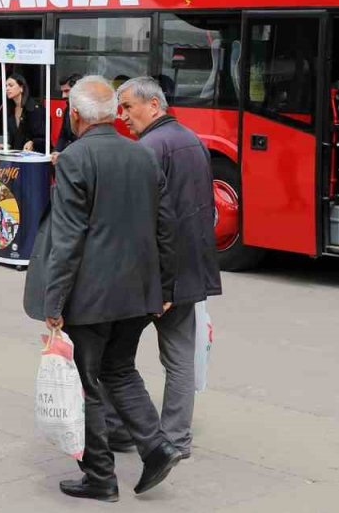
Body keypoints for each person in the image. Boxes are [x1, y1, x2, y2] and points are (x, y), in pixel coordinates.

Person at [26, 76, 180, 501]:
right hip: (138, 290)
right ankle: (157, 445)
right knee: (120, 370)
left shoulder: (75, 158)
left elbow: (68, 237)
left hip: (91, 296)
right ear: (113, 112)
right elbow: (165, 226)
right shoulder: (143, 155)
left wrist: (53, 301)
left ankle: (99, 477)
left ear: (74, 115)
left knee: (88, 381)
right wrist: (164, 285)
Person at [107, 76, 221, 461]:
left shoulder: (150, 147)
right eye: (120, 108)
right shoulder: (193, 140)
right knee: (179, 359)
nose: (123, 116)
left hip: (155, 277)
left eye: (128, 107)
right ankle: (176, 439)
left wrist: (161, 284)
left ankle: (121, 428)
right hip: (190, 270)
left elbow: (145, 219)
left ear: (153, 106)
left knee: (113, 355)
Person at [3, 72, 45, 152]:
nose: (7, 89)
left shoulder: (34, 108)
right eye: (6, 86)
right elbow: (15, 138)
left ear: (21, 88)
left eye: (11, 85)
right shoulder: (10, 110)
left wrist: (32, 143)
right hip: (17, 155)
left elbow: (43, 137)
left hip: (34, 156)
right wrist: (6, 146)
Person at [51, 73, 81, 162]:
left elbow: (83, 140)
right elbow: (63, 135)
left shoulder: (87, 111)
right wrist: (56, 151)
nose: (63, 96)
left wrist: (64, 154)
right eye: (62, 91)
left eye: (67, 91)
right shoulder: (67, 109)